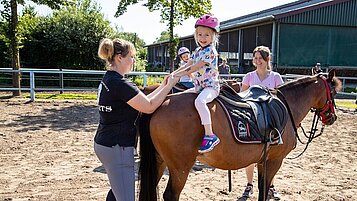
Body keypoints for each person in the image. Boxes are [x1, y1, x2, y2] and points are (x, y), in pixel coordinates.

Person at [94, 38, 179, 201]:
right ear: (120, 57)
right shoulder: (120, 84)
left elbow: (143, 101)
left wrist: (163, 85)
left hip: (105, 143)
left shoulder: (109, 79)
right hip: (118, 148)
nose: (133, 60)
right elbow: (149, 106)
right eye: (131, 56)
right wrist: (169, 86)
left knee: (117, 191)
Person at [240, 46, 284, 200]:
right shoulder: (249, 77)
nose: (258, 61)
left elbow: (281, 101)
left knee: (272, 156)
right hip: (253, 120)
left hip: (271, 121)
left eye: (261, 58)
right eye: (256, 58)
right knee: (251, 154)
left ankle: (271, 186)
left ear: (267, 60)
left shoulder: (276, 77)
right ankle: (249, 184)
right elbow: (241, 97)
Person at [173, 14, 221, 153]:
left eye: (206, 35)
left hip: (210, 87)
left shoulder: (210, 51)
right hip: (199, 86)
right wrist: (173, 73)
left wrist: (178, 75)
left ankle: (210, 134)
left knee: (200, 102)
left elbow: (195, 67)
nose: (202, 38)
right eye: (200, 34)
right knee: (180, 97)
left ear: (213, 36)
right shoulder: (197, 51)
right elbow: (188, 63)